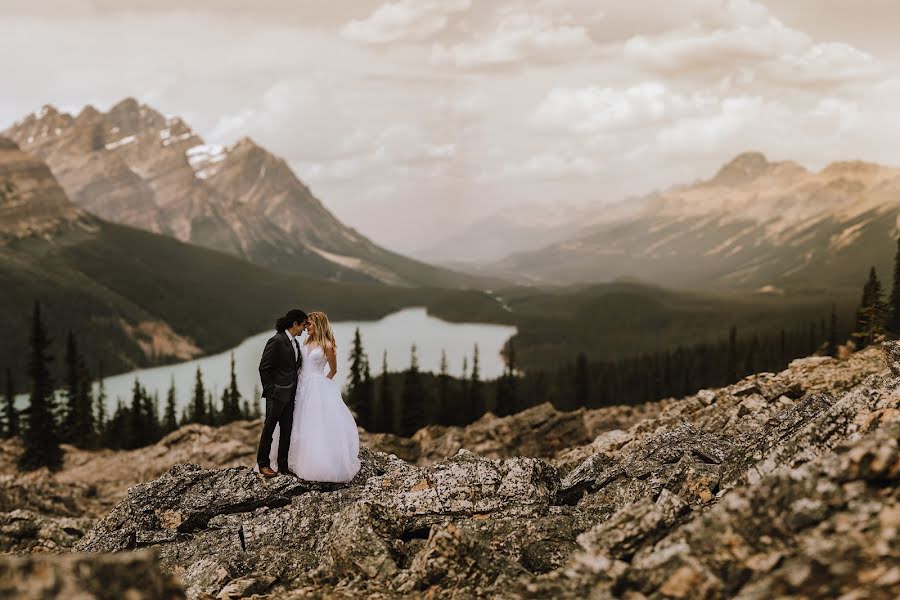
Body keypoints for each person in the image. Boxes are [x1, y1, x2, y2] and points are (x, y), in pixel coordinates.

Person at [286, 311, 361, 482]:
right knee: (298, 422)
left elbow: (334, 370)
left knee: (314, 424)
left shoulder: (327, 345)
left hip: (316, 387)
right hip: (301, 386)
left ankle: (317, 463)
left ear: (318, 324)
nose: (306, 328)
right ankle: (294, 458)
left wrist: (322, 383)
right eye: (305, 325)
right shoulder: (306, 342)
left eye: (309, 324)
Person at [255, 308, 307, 478]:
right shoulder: (276, 340)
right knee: (269, 429)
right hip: (276, 395)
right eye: (303, 325)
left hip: (290, 396)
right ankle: (263, 465)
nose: (304, 328)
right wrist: (271, 391)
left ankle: (283, 466)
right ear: (295, 324)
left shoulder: (296, 343)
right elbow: (264, 368)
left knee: (287, 430)